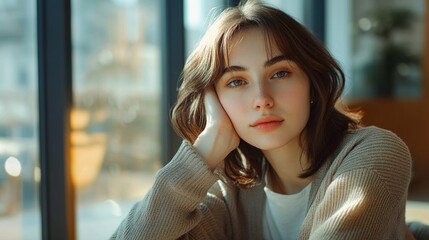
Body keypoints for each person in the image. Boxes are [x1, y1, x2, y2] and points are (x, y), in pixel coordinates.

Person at [111, 1, 416, 239]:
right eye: (236, 82)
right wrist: (202, 155)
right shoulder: (229, 194)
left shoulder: (375, 153)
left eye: (280, 73)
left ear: (312, 81)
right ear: (213, 100)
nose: (262, 98)